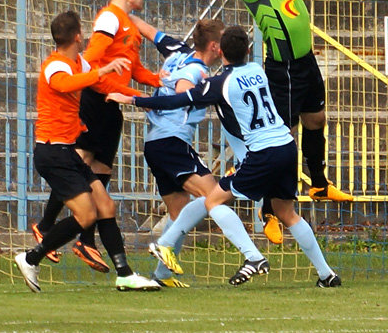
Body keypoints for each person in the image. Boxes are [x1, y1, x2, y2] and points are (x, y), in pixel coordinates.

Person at [108, 26, 342, 288]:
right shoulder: (257, 71)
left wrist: (133, 101)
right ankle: (327, 275)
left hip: (263, 152)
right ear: (249, 50)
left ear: (220, 51)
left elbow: (177, 101)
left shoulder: (218, 84)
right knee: (286, 212)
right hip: (287, 146)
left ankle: (252, 257)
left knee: (213, 200)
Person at [209, 0, 354, 243]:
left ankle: (318, 184)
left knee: (316, 119)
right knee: (285, 139)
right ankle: (269, 210)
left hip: (306, 63)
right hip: (283, 69)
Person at [14, 10, 159, 292]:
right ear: (78, 36)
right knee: (87, 216)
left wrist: (142, 96)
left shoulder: (77, 62)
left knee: (105, 205)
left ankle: (125, 274)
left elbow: (98, 83)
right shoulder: (55, 65)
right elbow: (64, 84)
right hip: (52, 153)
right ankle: (31, 258)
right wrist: (101, 69)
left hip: (67, 150)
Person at [130, 14, 225, 287]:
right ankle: (165, 245)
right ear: (215, 47)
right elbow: (181, 92)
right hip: (171, 142)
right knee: (213, 196)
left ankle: (162, 277)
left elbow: (148, 30)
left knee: (179, 211)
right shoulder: (195, 71)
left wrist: (121, 14)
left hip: (157, 143)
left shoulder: (176, 51)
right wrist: (149, 101)